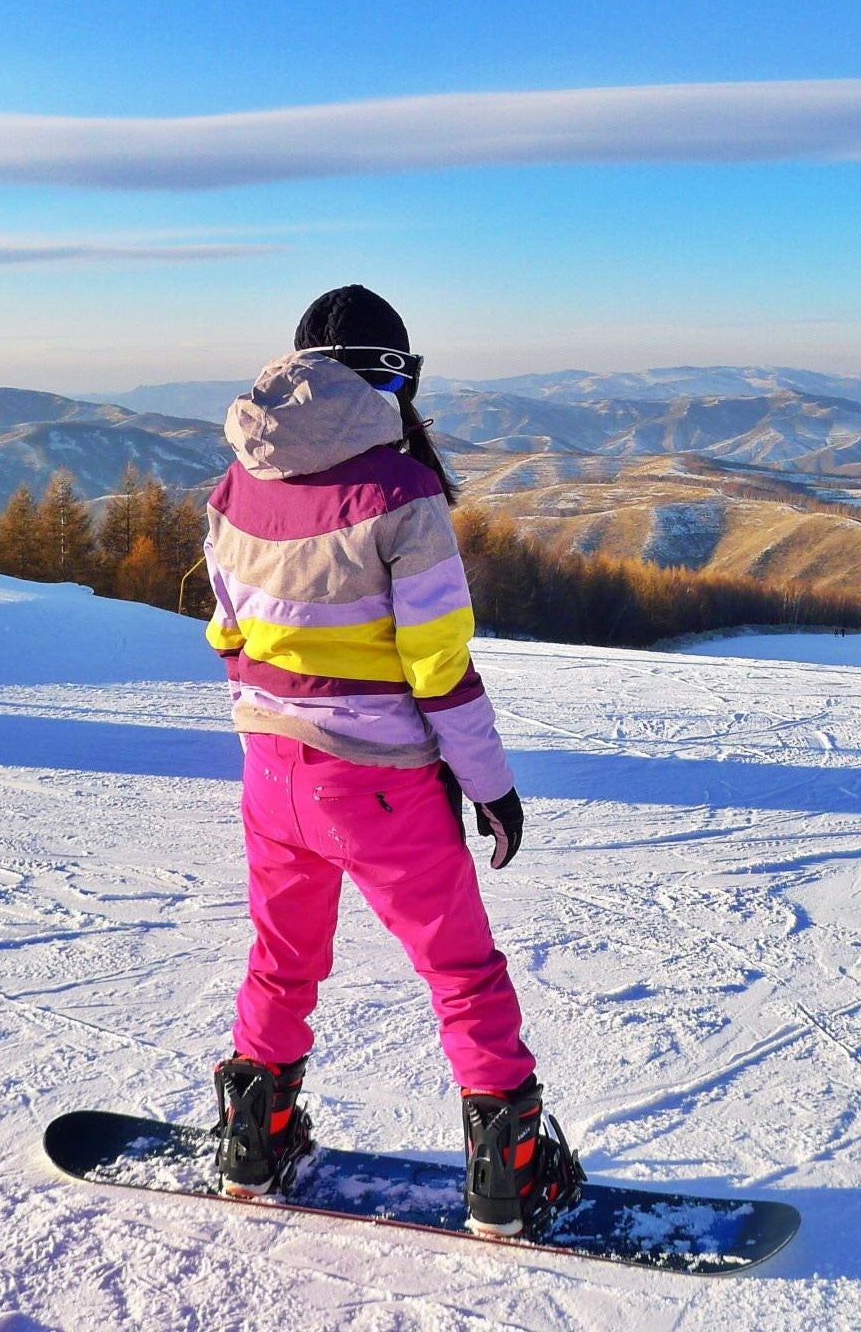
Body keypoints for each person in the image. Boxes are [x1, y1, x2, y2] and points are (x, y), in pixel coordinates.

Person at [202, 285, 582, 1236]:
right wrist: (491, 788)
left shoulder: (236, 482)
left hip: (269, 768)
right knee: (460, 968)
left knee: (282, 958)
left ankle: (257, 1137)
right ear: (394, 378)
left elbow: (227, 630)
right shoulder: (402, 496)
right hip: (374, 782)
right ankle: (511, 1175)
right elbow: (440, 669)